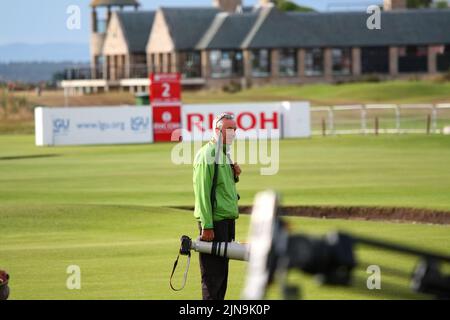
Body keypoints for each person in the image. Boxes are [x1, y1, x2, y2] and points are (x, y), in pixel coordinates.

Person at [192, 112, 242, 300]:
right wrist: (207, 225)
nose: (233, 132)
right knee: (213, 279)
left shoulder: (223, 153)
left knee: (221, 278)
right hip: (214, 224)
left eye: (235, 129)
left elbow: (222, 188)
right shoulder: (208, 154)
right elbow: (202, 192)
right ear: (217, 130)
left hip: (226, 222)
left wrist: (235, 175)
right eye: (230, 129)